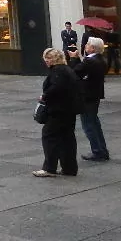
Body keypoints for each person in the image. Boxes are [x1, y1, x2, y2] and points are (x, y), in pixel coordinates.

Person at [34, 47, 81, 178]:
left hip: (58, 110)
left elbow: (56, 88)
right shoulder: (67, 70)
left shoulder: (57, 71)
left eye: (48, 59)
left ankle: (49, 167)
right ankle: (69, 168)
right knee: (67, 138)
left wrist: (44, 96)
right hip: (69, 110)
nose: (46, 61)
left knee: (49, 136)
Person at [69, 36, 109, 162]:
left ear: (92, 48)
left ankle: (97, 151)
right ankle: (101, 150)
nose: (85, 46)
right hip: (95, 94)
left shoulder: (89, 61)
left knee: (89, 125)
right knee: (94, 123)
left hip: (87, 96)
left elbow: (74, 73)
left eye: (87, 44)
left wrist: (74, 58)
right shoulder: (100, 59)